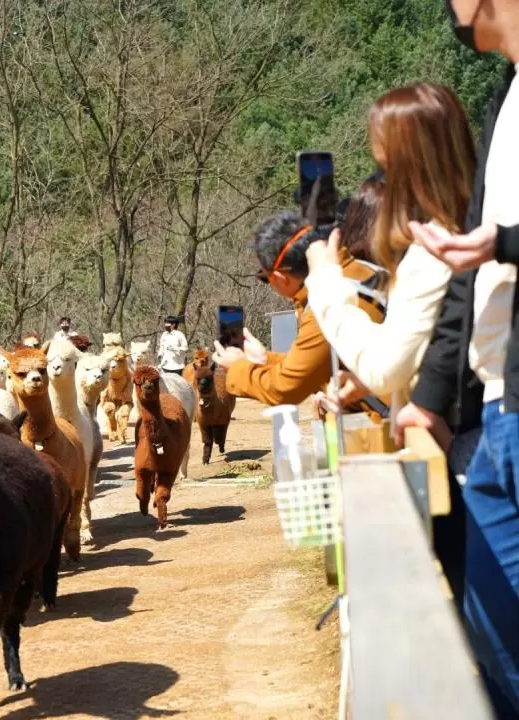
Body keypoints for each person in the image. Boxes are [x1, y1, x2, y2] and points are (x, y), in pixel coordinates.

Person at [393, 3, 519, 714]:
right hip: (495, 407)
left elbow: (487, 248)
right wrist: (432, 398)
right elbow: (470, 271)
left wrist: (504, 243)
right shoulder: (504, 98)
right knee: (493, 645)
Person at [304, 84, 475, 410]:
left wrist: (325, 281)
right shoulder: (478, 229)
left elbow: (385, 368)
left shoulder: (437, 247)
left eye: (386, 170)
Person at [214, 211, 386, 407]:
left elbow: (284, 389)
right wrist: (265, 359)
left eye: (266, 278)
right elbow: (314, 364)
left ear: (280, 278)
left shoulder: (326, 303)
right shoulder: (360, 271)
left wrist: (238, 368)